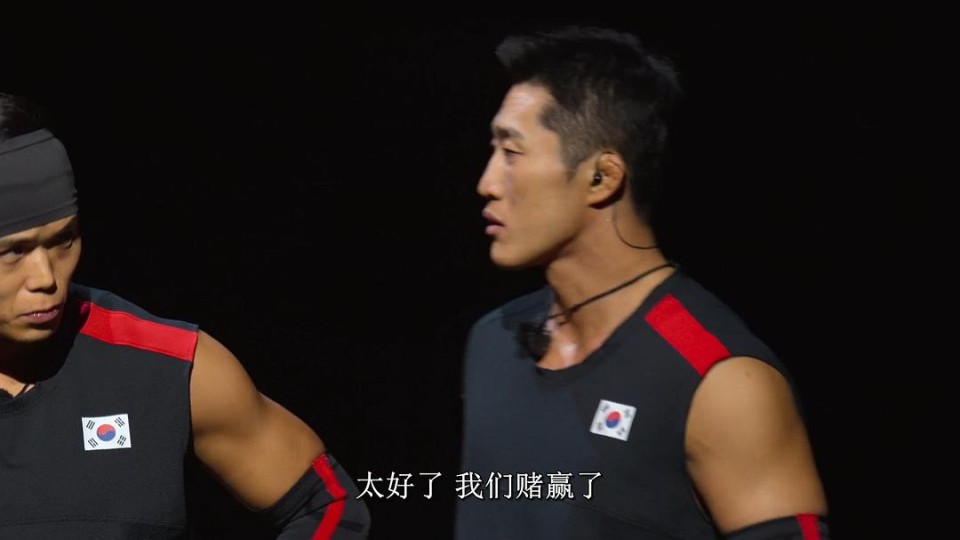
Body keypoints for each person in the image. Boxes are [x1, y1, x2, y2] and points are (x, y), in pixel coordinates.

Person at [455, 26, 830, 539]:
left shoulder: (719, 380)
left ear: (602, 177)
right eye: (493, 150)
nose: (487, 183)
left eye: (512, 153)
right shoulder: (493, 343)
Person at [0, 92, 371, 539]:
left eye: (64, 240)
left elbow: (330, 505)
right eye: (12, 252)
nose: (46, 278)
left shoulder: (167, 368)